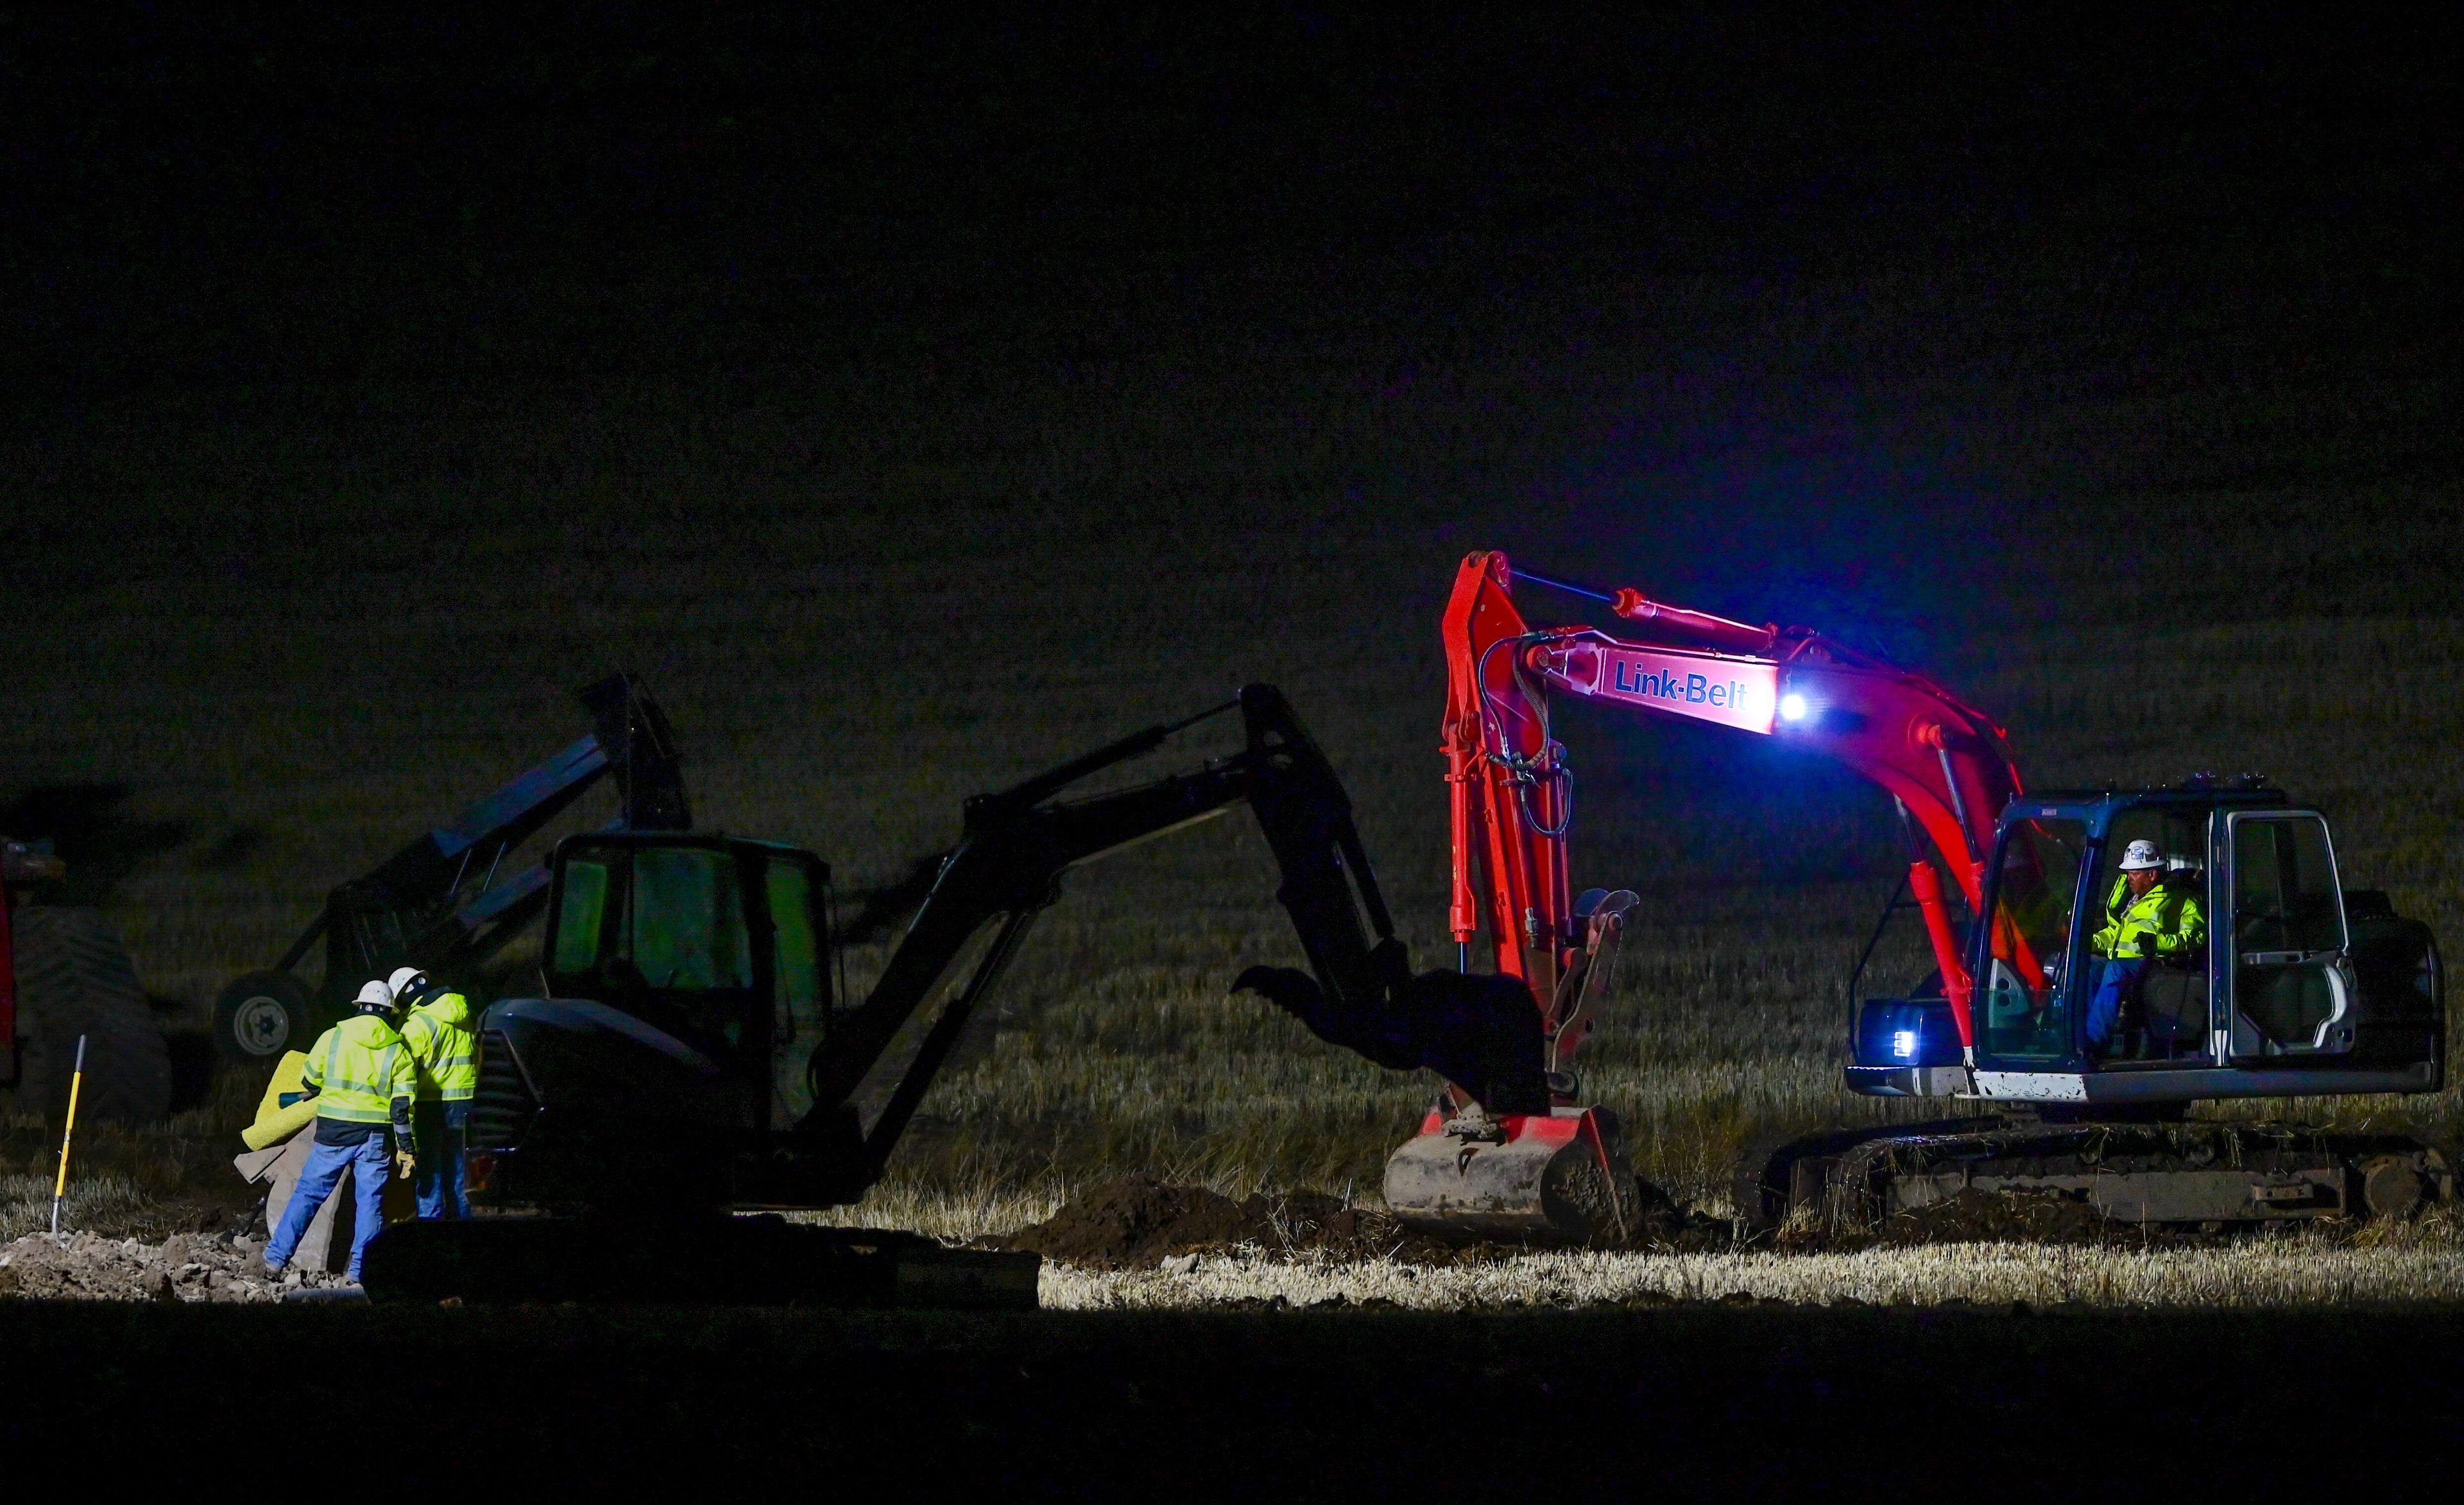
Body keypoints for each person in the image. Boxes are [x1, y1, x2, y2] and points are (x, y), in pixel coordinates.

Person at [263, 979, 416, 1284]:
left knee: (307, 1195)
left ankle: (275, 1260)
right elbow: (401, 1108)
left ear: (359, 1007)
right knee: (370, 1204)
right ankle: (360, 1274)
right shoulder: (398, 1050)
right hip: (373, 1138)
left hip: (332, 1133)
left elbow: (309, 1081)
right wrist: (406, 1148)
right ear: (389, 1012)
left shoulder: (333, 1037)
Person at [2083, 839, 2207, 1054]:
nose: (2129, 878)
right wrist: (2084, 943)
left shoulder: (2181, 897)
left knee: (2115, 970)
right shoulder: (2135, 899)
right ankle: (2078, 1035)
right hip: (2125, 962)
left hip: (2156, 964)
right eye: (2128, 873)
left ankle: (2094, 1043)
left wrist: (2158, 943)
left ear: (2152, 874)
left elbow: (2195, 936)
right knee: (2087, 966)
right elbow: (2117, 934)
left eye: (2135, 873)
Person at [393, 967, 478, 1219]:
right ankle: (461, 1235)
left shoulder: (416, 1025)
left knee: (431, 1172)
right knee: (460, 1173)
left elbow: (403, 1073)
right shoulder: (464, 1011)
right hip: (466, 1101)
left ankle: (430, 1236)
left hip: (431, 1104)